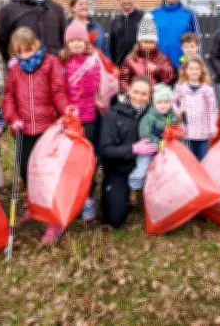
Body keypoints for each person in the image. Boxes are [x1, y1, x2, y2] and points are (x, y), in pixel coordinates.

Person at [2, 27, 69, 245]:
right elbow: (9, 95)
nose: (25, 56)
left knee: (47, 174)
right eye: (19, 52)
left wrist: (66, 110)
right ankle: (34, 206)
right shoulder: (14, 70)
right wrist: (12, 117)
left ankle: (54, 220)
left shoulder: (51, 63)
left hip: (47, 126)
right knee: (25, 170)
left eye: (28, 50)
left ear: (36, 45)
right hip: (24, 127)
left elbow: (58, 92)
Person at [58, 20, 101, 222]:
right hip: (69, 119)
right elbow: (59, 89)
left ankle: (88, 197)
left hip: (88, 117)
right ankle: (71, 196)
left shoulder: (93, 61)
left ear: (86, 42)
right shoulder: (61, 62)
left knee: (87, 158)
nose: (76, 44)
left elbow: (93, 87)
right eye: (72, 41)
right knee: (69, 159)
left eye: (79, 40)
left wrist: (85, 73)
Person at [99, 76, 154, 228]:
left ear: (150, 95)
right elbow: (105, 150)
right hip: (119, 170)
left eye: (144, 94)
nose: (139, 97)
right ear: (129, 90)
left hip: (148, 169)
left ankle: (141, 189)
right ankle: (124, 192)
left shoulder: (154, 113)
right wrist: (133, 148)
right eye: (135, 92)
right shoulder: (113, 114)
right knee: (114, 220)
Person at [0, 0, 67, 62]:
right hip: (24, 69)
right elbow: (3, 43)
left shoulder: (56, 9)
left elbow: (63, 39)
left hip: (53, 68)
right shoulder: (9, 10)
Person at [129, 84, 181, 204]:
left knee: (165, 171)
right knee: (141, 170)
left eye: (166, 102)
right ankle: (133, 188)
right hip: (149, 149)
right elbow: (145, 135)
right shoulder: (149, 117)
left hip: (165, 150)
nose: (163, 105)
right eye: (160, 102)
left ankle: (159, 192)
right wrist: (159, 142)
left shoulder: (171, 116)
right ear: (154, 103)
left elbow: (175, 129)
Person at [173, 56, 219, 160]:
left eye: (197, 69)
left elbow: (212, 110)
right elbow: (172, 102)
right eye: (191, 69)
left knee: (201, 159)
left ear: (202, 70)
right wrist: (177, 110)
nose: (194, 71)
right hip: (186, 131)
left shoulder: (207, 88)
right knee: (188, 159)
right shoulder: (180, 87)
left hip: (202, 131)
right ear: (185, 70)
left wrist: (212, 126)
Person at [119, 13, 176, 92]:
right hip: (137, 98)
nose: (148, 45)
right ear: (140, 42)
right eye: (145, 41)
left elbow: (170, 77)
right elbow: (123, 79)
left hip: (156, 98)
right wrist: (129, 91)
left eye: (151, 42)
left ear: (155, 43)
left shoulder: (163, 58)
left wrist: (158, 69)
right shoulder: (130, 59)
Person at [151, 0, 200, 67]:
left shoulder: (189, 14)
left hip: (183, 68)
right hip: (159, 68)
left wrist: (198, 64)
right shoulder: (153, 14)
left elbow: (197, 42)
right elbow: (147, 44)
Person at [108, 0, 145, 67]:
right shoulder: (114, 22)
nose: (126, 1)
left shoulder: (143, 18)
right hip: (121, 66)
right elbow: (111, 47)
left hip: (141, 65)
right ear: (119, 0)